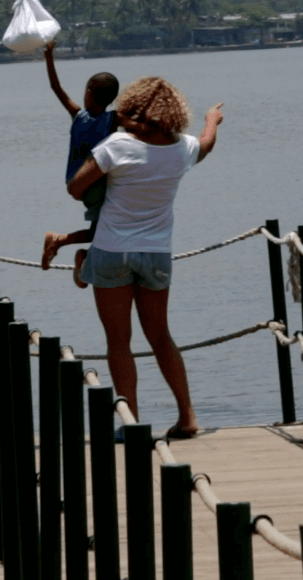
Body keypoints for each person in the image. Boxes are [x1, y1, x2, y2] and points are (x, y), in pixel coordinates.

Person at [66, 76, 223, 440]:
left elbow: (76, 188)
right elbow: (206, 144)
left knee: (119, 341)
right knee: (160, 336)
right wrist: (211, 119)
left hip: (111, 251)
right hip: (156, 255)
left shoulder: (118, 145)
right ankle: (187, 417)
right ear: (174, 113)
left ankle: (131, 424)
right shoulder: (183, 149)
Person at [39, 42, 120, 288]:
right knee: (103, 230)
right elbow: (136, 117)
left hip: (73, 180)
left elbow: (56, 87)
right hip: (92, 185)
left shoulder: (78, 115)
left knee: (102, 228)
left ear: (88, 92)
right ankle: (63, 244)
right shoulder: (111, 120)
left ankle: (81, 257)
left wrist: (49, 54)